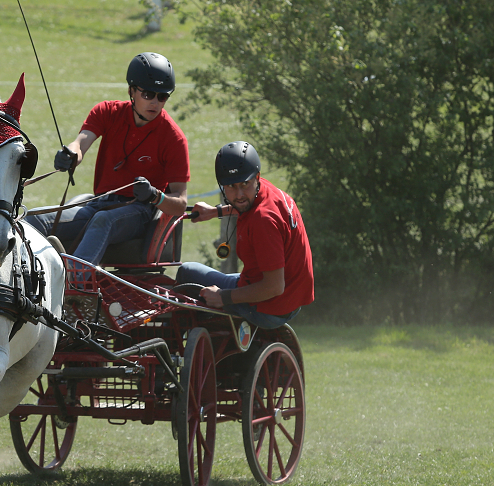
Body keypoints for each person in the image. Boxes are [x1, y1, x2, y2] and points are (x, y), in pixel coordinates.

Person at [25, 52, 189, 265]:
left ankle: (74, 280)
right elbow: (80, 144)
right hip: (100, 203)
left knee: (103, 220)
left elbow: (181, 203)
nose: (156, 102)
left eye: (163, 96)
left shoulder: (174, 138)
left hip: (140, 211)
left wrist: (154, 196)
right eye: (148, 94)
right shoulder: (107, 112)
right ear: (131, 90)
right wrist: (70, 154)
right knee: (33, 217)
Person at [176, 141, 314, 329]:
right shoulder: (264, 192)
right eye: (231, 186)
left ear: (256, 177)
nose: (239, 193)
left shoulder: (263, 221)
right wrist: (215, 212)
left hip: (270, 306)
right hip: (290, 297)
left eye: (244, 184)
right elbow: (245, 205)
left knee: (187, 273)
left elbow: (274, 287)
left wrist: (222, 297)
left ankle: (195, 340)